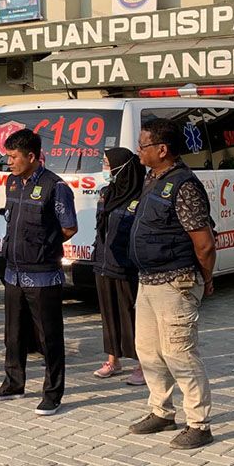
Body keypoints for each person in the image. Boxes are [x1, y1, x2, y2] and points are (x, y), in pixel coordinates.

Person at [127, 118, 216, 450]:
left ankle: (199, 424)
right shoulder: (153, 179)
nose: (138, 150)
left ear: (162, 149)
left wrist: (205, 277)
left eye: (143, 145)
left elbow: (204, 243)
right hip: (148, 281)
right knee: (148, 351)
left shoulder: (184, 185)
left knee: (179, 354)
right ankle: (161, 411)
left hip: (176, 282)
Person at [0, 129, 76, 416]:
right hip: (13, 273)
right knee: (13, 334)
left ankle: (52, 393)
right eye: (7, 156)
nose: (8, 162)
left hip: (43, 275)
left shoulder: (55, 187)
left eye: (13, 157)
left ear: (32, 157)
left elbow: (69, 227)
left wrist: (43, 245)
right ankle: (13, 383)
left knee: (49, 337)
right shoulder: (12, 182)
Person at [92, 148, 146, 386]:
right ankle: (113, 359)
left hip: (128, 267)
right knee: (109, 314)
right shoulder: (106, 193)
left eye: (108, 163)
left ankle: (143, 363)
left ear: (122, 168)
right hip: (104, 264)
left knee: (132, 316)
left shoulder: (141, 197)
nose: (105, 168)